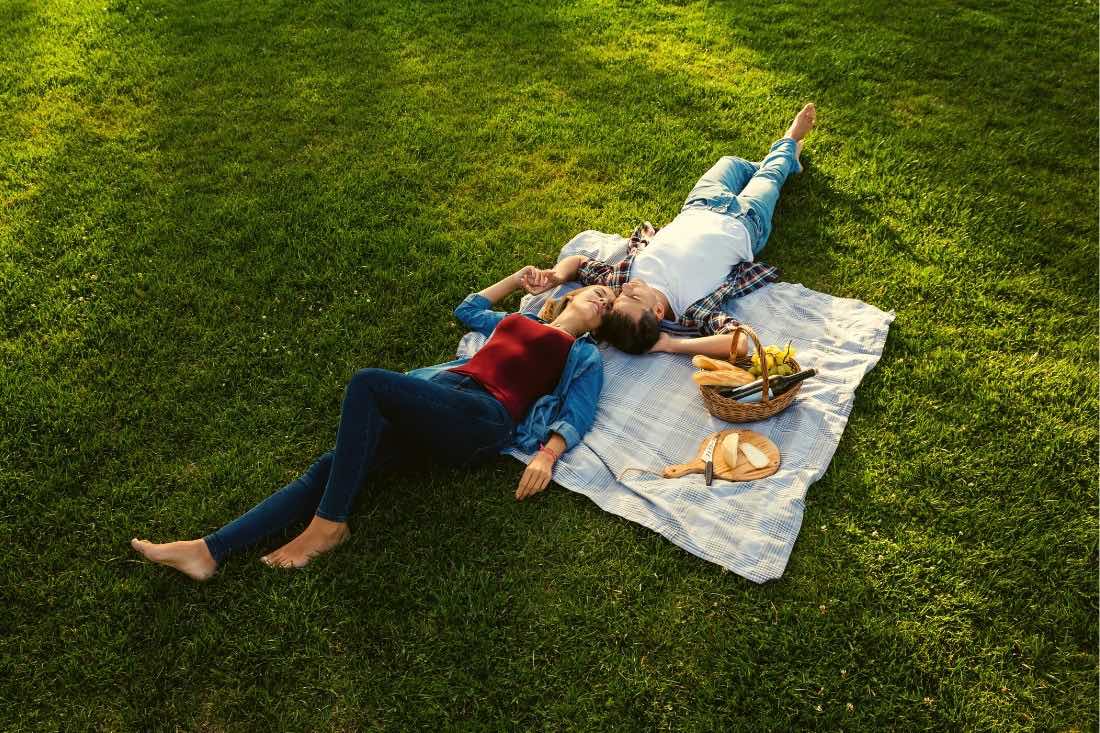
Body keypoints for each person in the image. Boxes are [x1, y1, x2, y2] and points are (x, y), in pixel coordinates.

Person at [130, 268, 615, 580]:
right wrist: (517, 280)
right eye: (597, 293)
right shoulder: (516, 321)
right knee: (331, 465)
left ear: (597, 327)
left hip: (485, 419)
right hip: (444, 399)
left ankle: (328, 526)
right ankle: (208, 550)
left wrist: (548, 454)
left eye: (607, 307)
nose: (602, 300)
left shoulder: (581, 353)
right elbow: (467, 310)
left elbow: (579, 409)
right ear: (568, 295)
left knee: (369, 384)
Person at [527, 103, 817, 360]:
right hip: (747, 222)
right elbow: (739, 344)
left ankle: (781, 159)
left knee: (731, 163)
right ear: (657, 312)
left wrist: (555, 276)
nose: (626, 289)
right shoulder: (692, 312)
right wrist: (670, 344)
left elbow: (578, 263)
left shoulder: (621, 280)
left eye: (621, 296)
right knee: (770, 176)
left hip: (701, 203)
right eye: (633, 297)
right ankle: (790, 141)